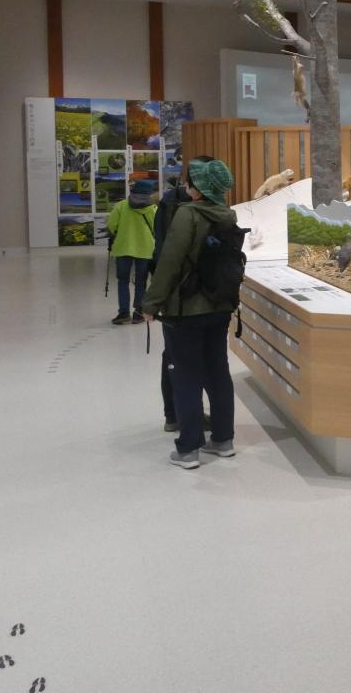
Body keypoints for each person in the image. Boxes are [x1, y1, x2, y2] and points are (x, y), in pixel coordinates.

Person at [142, 159, 240, 470]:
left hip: (185, 310)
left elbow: (170, 261)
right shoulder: (228, 214)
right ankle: (223, 440)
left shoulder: (188, 214)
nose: (186, 186)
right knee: (218, 372)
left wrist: (151, 303)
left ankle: (188, 449)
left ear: (198, 188)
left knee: (185, 374)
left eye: (190, 182)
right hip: (220, 305)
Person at [151, 156, 216, 432]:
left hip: (176, 293)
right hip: (189, 292)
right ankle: (187, 418)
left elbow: (160, 251)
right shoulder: (185, 208)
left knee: (174, 356)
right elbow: (169, 255)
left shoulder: (169, 204)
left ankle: (174, 415)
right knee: (188, 360)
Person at [106, 181, 157, 325]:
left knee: (123, 281)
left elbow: (112, 225)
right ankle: (139, 313)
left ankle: (123, 313)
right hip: (145, 249)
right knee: (141, 282)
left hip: (123, 248)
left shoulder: (121, 206)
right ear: (149, 194)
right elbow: (157, 229)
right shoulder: (153, 209)